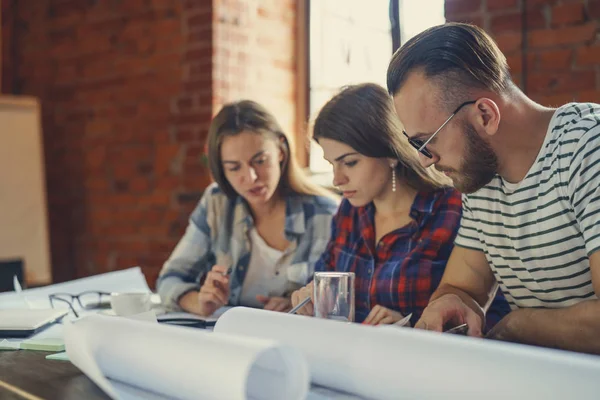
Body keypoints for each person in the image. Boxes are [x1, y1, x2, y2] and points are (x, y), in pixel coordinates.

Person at [387, 22, 600, 354]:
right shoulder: (480, 176)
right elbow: (462, 287)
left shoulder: (589, 146)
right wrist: (448, 304)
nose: (426, 161)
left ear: (485, 114)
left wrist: (516, 325)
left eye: (426, 141)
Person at [290, 83, 511, 327]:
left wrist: (412, 326)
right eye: (332, 164)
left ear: (390, 154)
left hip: (427, 360)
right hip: (352, 357)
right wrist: (311, 297)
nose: (337, 179)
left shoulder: (451, 209)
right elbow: (326, 282)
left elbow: (493, 314)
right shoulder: (349, 211)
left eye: (350, 163)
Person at [157, 100, 339, 316]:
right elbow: (170, 278)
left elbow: (340, 302)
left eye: (260, 161)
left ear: (281, 150)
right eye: (234, 168)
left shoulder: (326, 216)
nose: (251, 177)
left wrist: (300, 307)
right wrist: (199, 302)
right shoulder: (217, 203)